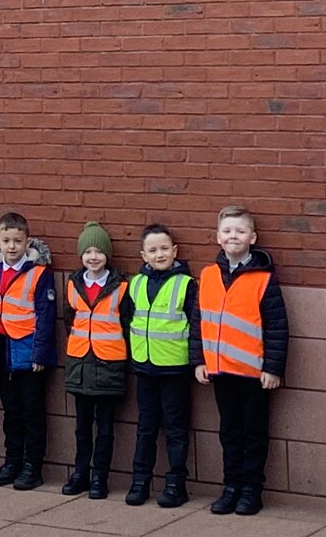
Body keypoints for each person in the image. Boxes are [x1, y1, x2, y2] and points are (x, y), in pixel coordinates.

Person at [196, 205, 288, 516]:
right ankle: (230, 486)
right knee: (229, 433)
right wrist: (200, 360)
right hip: (220, 371)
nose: (233, 236)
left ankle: (252, 489)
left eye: (240, 231)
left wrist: (273, 368)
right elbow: (198, 321)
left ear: (253, 237)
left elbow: (276, 326)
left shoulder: (263, 278)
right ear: (218, 237)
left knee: (254, 433)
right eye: (227, 231)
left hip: (253, 373)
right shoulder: (208, 275)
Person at [0, 211, 57, 490]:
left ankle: (32, 466)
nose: (12, 247)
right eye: (6, 240)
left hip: (29, 353)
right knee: (11, 411)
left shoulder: (39, 273)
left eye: (18, 241)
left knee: (32, 411)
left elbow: (46, 316)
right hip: (3, 350)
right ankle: (12, 462)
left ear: (27, 242)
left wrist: (40, 354)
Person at [123, 223, 199, 508]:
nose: (159, 254)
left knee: (176, 429)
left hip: (175, 369)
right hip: (144, 367)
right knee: (146, 427)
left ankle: (176, 484)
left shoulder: (185, 284)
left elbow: (195, 327)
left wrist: (195, 362)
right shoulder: (136, 283)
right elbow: (129, 319)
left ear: (175, 251)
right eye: (153, 250)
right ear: (143, 255)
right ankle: (140, 480)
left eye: (165, 249)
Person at [62, 221, 128, 500]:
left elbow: (126, 322)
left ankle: (100, 475)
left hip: (109, 365)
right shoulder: (73, 284)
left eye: (98, 251)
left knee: (105, 427)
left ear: (107, 255)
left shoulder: (121, 286)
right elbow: (69, 320)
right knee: (82, 426)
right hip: (79, 365)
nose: (93, 257)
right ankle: (81, 473)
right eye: (87, 251)